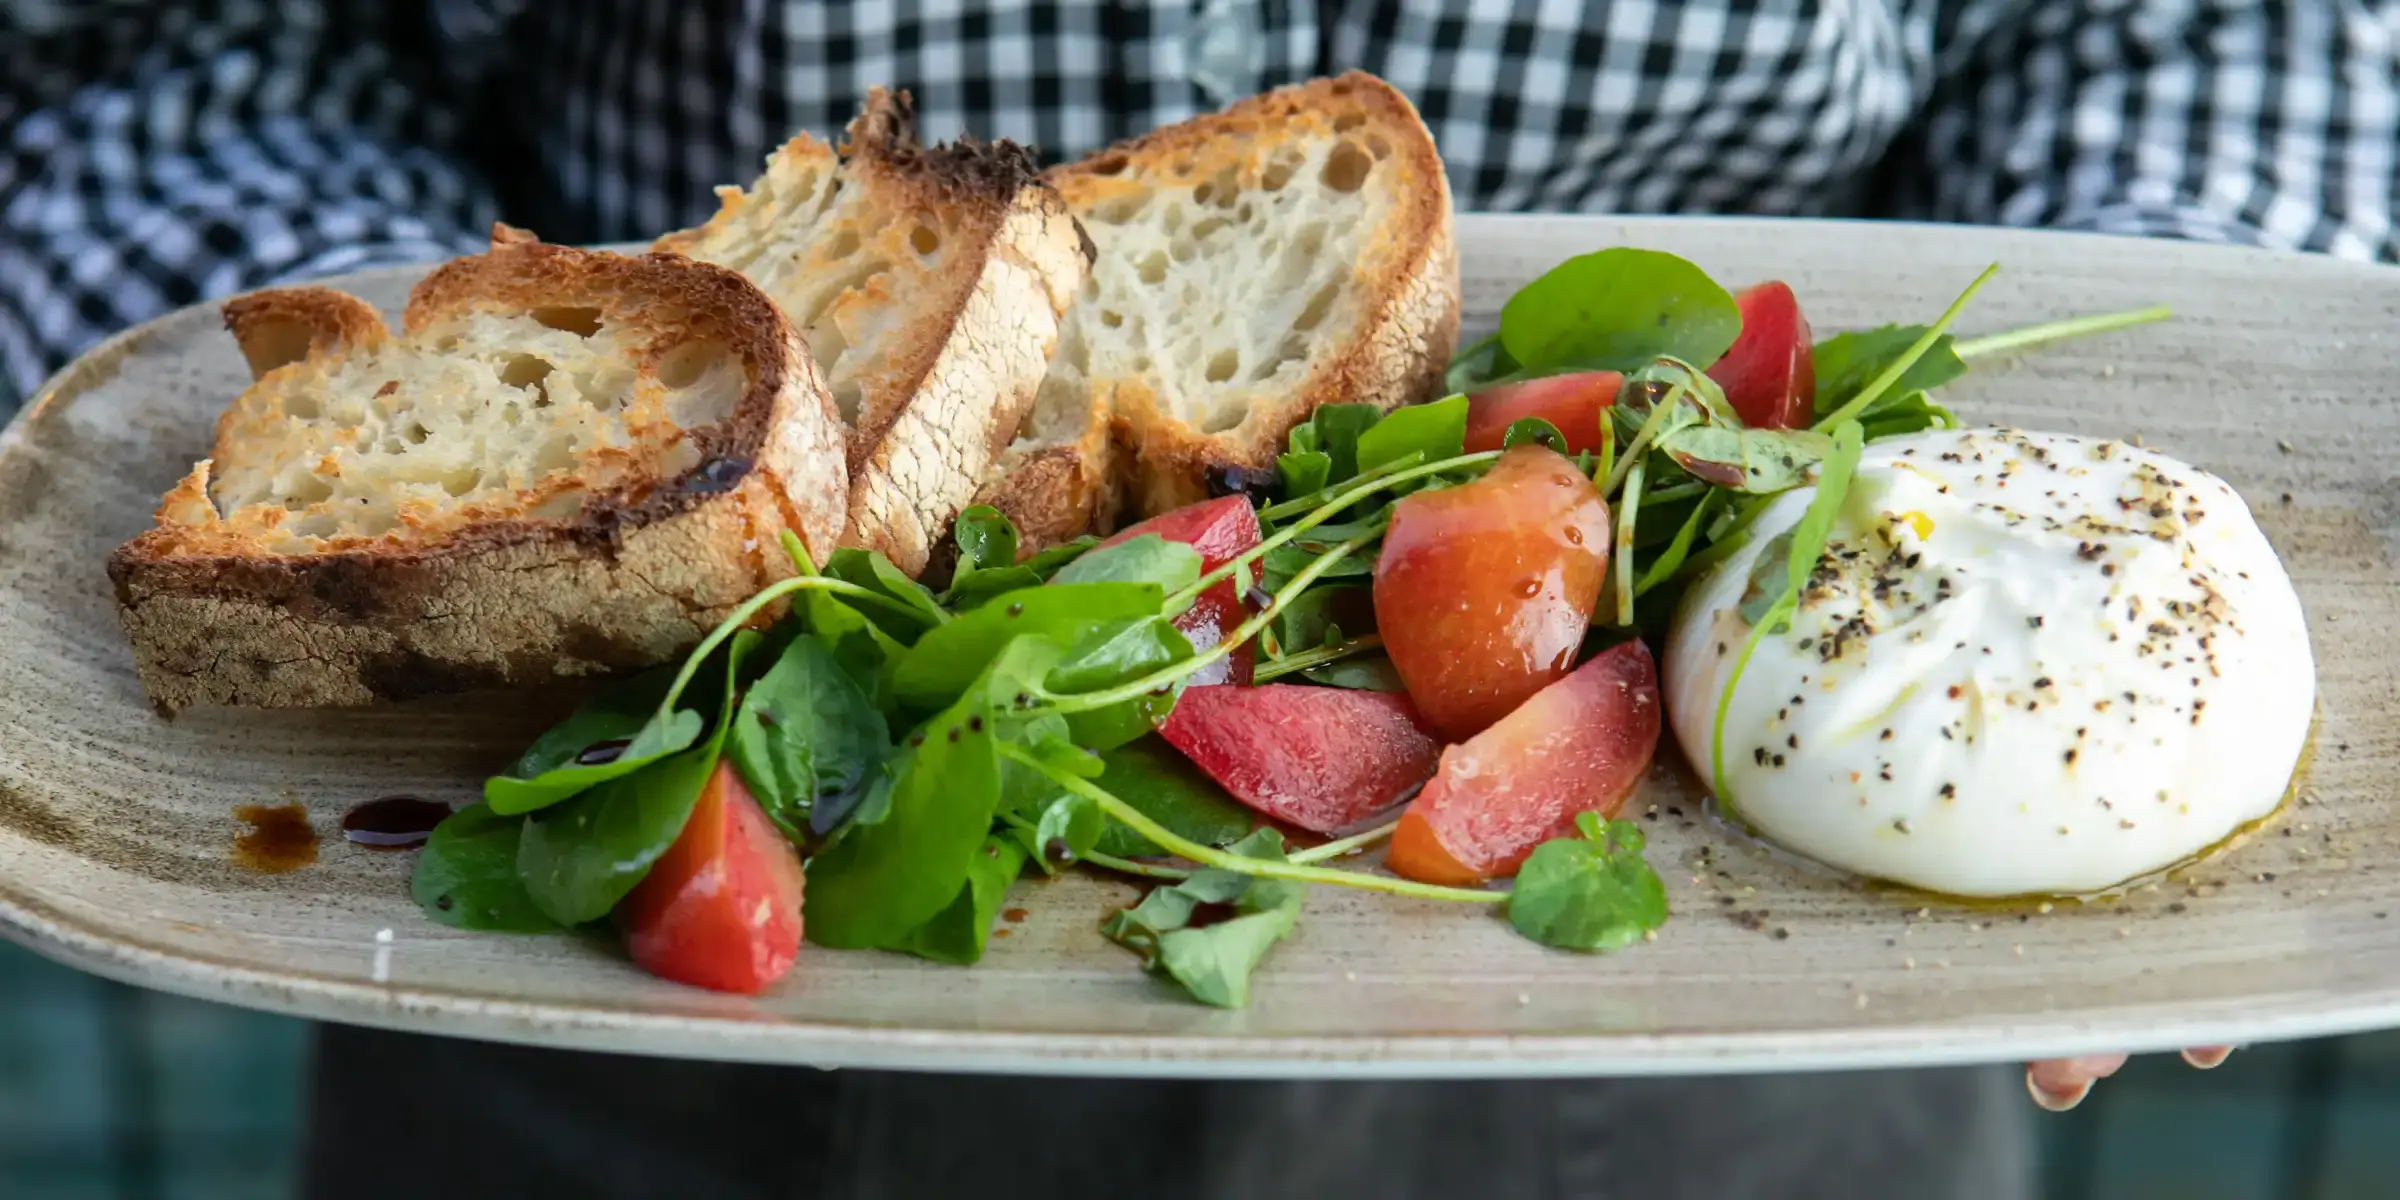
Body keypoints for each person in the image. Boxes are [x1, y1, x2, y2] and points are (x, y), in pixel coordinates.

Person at [4, 3, 2391, 1196]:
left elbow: (2222, 34)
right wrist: (430, 531)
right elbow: (174, 58)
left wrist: (2084, 617)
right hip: (584, 975)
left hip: (1710, 1003)